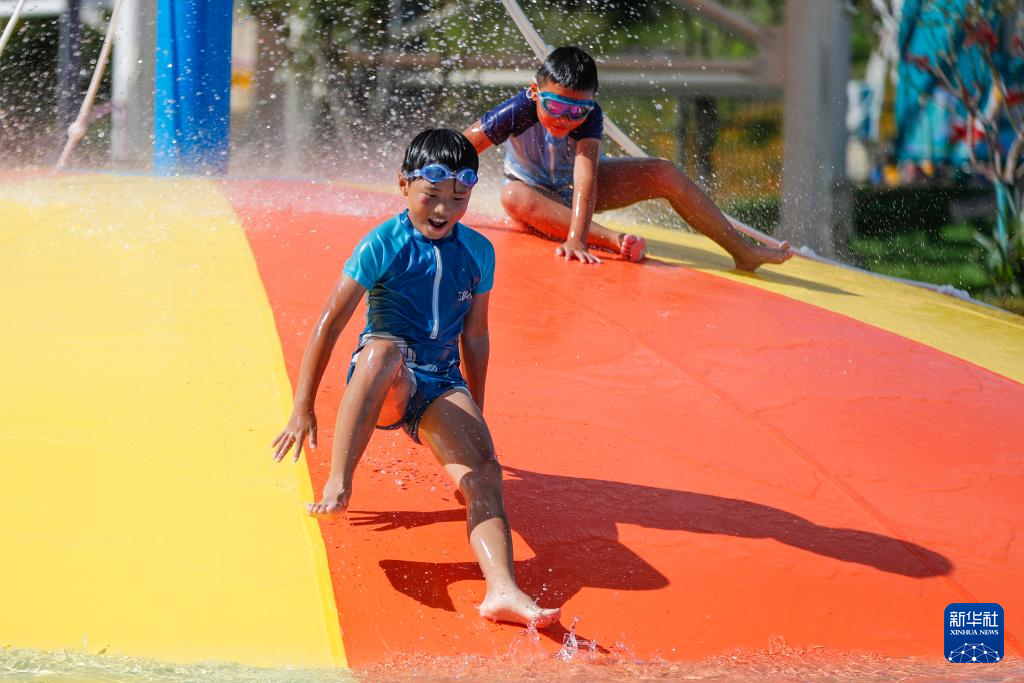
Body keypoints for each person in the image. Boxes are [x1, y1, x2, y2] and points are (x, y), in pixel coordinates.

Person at [271, 129, 560, 629]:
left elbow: (476, 337)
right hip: (384, 380)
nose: (444, 209)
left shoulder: (478, 252)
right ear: (404, 185)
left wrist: (476, 410)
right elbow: (329, 324)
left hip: (439, 382)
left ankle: (503, 590)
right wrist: (303, 407)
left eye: (459, 198)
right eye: (432, 195)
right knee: (383, 350)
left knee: (485, 473)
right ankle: (341, 482)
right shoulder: (382, 243)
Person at [463, 45, 793, 268]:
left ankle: (743, 251)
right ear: (535, 92)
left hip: (579, 193)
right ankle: (611, 238)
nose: (565, 118)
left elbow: (586, 177)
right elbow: (467, 144)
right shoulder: (518, 110)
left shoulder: (588, 117)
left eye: (578, 109)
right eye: (556, 106)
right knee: (512, 196)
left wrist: (576, 236)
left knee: (663, 172)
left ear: (592, 102)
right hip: (535, 195)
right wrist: (421, 171)